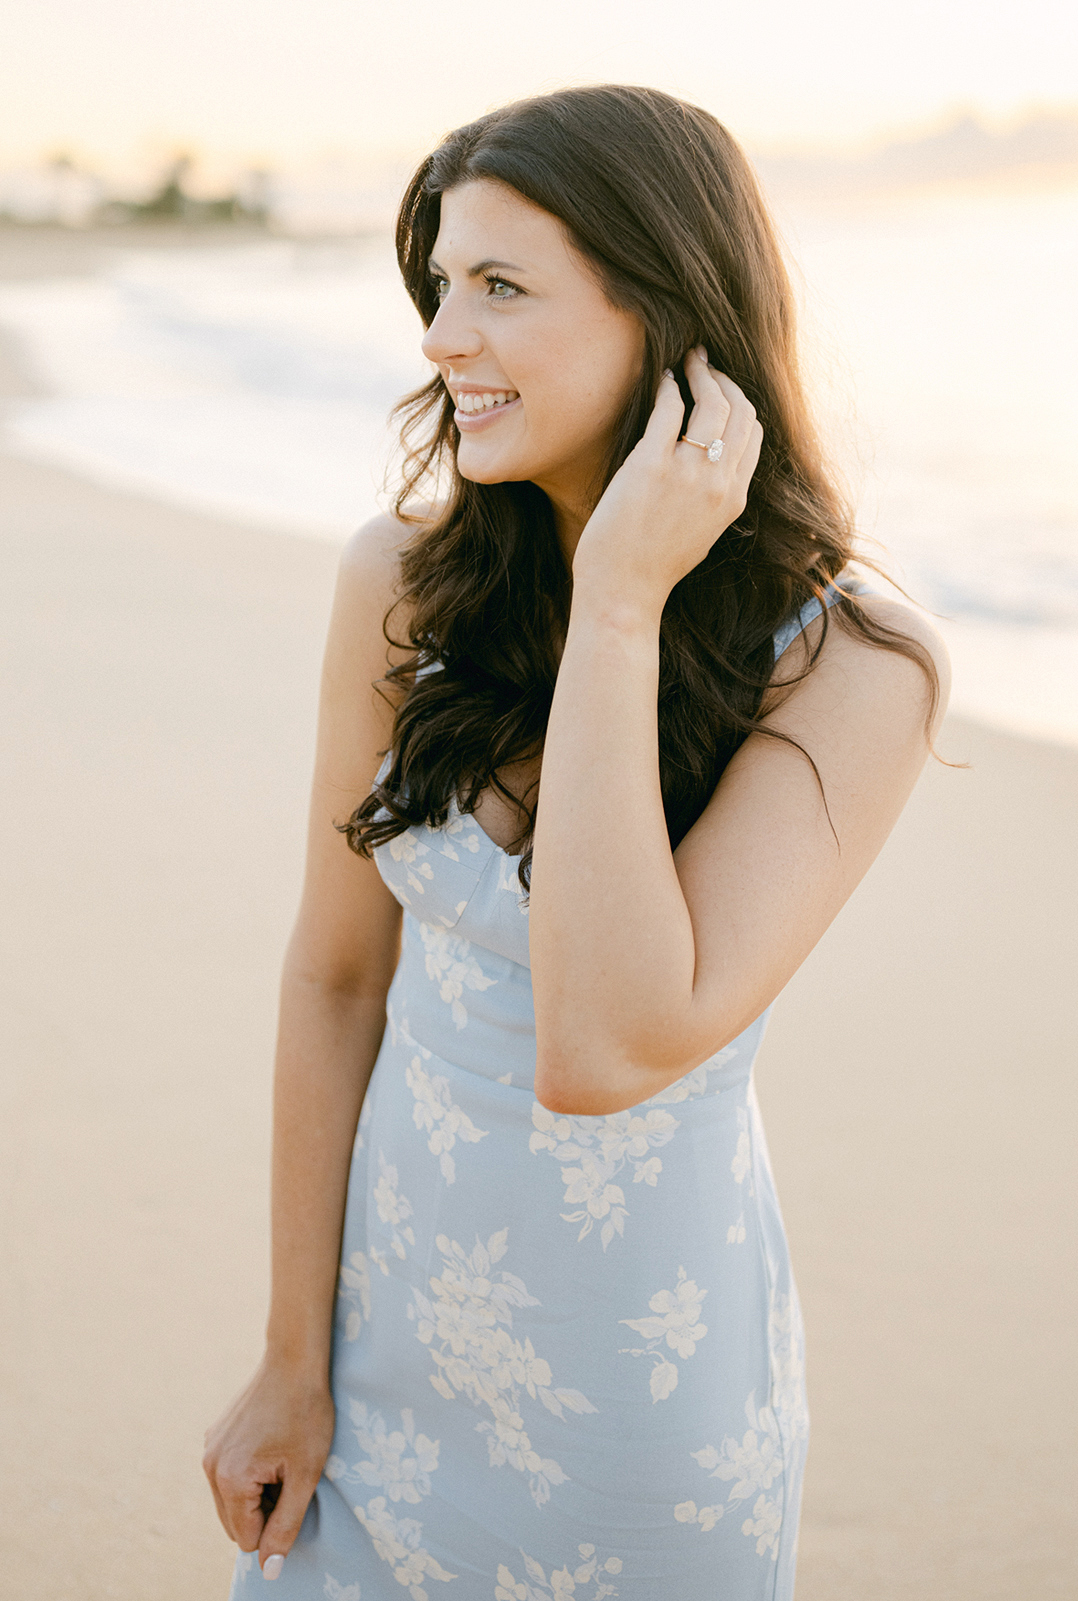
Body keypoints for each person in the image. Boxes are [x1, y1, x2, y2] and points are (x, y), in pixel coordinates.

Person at [203, 84, 948, 1600]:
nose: (438, 339)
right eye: (439, 286)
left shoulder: (853, 667)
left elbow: (603, 1045)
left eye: (500, 287)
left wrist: (619, 603)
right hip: (381, 1367)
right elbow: (337, 981)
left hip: (640, 1417)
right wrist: (291, 1354)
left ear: (663, 317)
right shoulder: (399, 591)